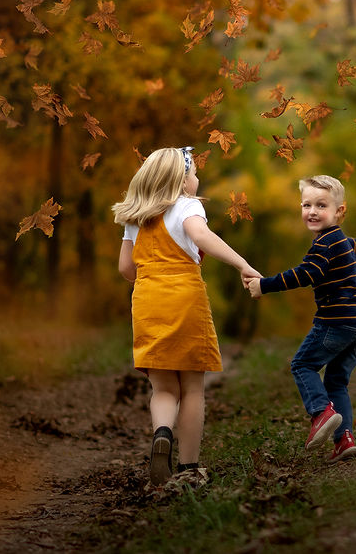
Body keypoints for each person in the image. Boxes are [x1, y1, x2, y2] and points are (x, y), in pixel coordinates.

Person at [113, 146, 260, 486]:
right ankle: (188, 469)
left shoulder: (135, 216)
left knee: (163, 387)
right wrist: (242, 264)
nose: (197, 180)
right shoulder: (187, 205)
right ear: (180, 181)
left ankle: (162, 432)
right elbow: (201, 236)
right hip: (185, 298)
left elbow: (125, 268)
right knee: (193, 388)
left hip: (148, 301)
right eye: (194, 174)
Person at [245, 175, 356, 464]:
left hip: (335, 322)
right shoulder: (344, 242)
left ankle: (321, 413)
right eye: (306, 204)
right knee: (337, 382)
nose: (312, 211)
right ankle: (345, 440)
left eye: (321, 205)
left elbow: (305, 274)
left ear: (340, 211)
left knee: (303, 364)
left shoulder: (324, 245)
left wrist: (265, 285)